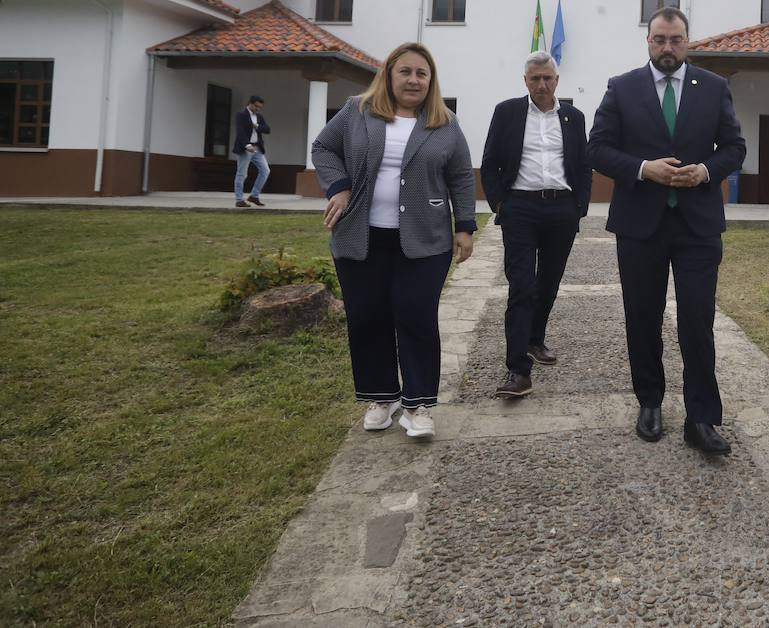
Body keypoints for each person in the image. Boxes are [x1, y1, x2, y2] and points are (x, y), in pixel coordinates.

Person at [587, 6, 746, 455]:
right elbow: (596, 149)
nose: (667, 48)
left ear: (687, 41)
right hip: (641, 225)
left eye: (675, 39)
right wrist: (642, 169)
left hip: (697, 225)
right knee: (643, 317)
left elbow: (735, 147)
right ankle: (650, 403)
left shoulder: (714, 88)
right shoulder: (623, 87)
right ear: (648, 41)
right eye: (659, 39)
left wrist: (706, 172)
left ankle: (702, 418)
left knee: (698, 322)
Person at [311, 42, 476, 439]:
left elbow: (461, 176)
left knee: (415, 315)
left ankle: (418, 404)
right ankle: (382, 397)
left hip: (425, 239)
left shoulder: (445, 122)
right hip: (360, 237)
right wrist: (339, 187)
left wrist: (465, 225)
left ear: (431, 81)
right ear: (389, 74)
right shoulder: (356, 111)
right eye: (405, 71)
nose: (413, 80)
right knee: (368, 317)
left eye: (422, 73)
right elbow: (323, 148)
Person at [480, 51, 592, 399]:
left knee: (548, 283)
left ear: (556, 81)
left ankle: (534, 339)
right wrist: (502, 204)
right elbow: (489, 164)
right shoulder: (507, 112)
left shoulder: (574, 117)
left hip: (561, 209)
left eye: (547, 78)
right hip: (521, 210)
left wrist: (579, 208)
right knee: (521, 285)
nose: (541, 84)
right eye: (535, 79)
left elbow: (583, 165)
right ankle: (517, 369)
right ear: (525, 80)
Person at [232, 95, 271, 207]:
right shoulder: (241, 115)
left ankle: (254, 196)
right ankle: (239, 199)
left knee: (265, 171)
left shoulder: (259, 116)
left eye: (260, 107)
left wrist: (257, 126)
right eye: (256, 106)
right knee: (242, 173)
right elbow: (240, 131)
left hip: (257, 148)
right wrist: (247, 145)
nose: (258, 109)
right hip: (245, 148)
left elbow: (267, 129)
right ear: (250, 103)